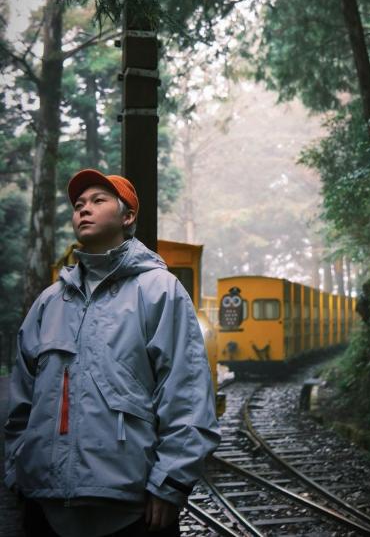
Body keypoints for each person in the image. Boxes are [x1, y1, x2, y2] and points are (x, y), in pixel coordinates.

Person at [4, 169, 221, 536]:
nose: (84, 210)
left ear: (128, 216)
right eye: (78, 204)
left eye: (98, 200)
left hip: (131, 510)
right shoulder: (50, 302)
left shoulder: (159, 291)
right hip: (46, 507)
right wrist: (17, 472)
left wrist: (171, 484)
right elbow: (22, 401)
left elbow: (186, 392)